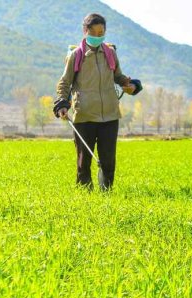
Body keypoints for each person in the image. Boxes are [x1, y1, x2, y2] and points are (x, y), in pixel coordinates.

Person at [53, 13, 141, 191]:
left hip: (109, 113)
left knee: (108, 160)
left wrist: (128, 84)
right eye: (95, 33)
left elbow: (117, 76)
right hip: (84, 114)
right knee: (84, 160)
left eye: (102, 33)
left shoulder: (110, 53)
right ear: (86, 32)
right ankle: (85, 195)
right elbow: (65, 82)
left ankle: (106, 193)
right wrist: (62, 103)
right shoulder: (76, 56)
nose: (99, 37)